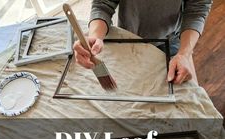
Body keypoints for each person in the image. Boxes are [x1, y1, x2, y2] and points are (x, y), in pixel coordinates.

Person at [73, 0, 213, 84]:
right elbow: (102, 4)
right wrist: (95, 36)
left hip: (171, 41)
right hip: (128, 38)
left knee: (189, 107)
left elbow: (197, 10)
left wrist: (184, 54)